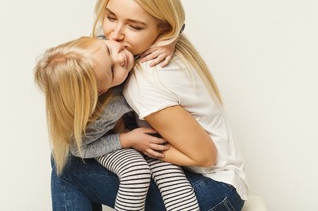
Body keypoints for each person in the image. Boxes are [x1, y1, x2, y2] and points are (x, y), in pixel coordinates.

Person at [50, 0, 249, 211]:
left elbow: (204, 156)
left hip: (214, 192)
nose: (115, 34)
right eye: (111, 17)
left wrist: (138, 144)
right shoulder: (127, 47)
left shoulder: (144, 83)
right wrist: (171, 39)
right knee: (74, 155)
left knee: (66, 168)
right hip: (221, 180)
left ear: (163, 29)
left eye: (134, 26)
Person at [34, 36, 200, 211]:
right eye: (112, 71)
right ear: (102, 90)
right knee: (136, 172)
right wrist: (126, 140)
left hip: (137, 131)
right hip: (110, 141)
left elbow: (167, 21)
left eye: (108, 49)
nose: (120, 57)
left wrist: (169, 44)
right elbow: (79, 148)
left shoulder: (108, 39)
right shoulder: (102, 113)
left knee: (171, 174)